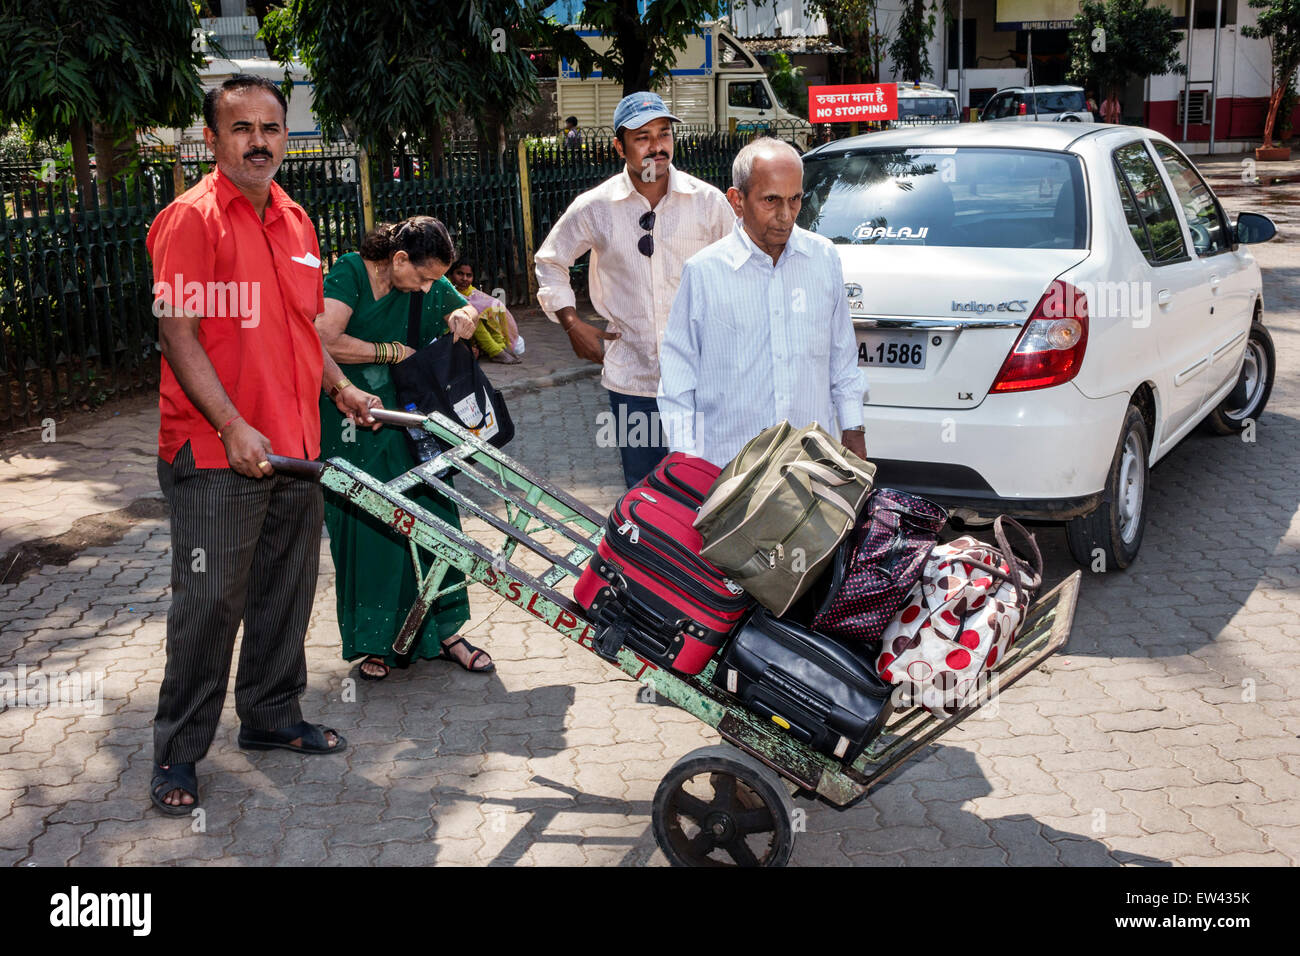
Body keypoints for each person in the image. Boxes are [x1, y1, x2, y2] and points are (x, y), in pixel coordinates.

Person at [147, 74, 383, 815]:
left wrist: (340, 388)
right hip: (217, 453)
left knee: (286, 588)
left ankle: (272, 716)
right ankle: (178, 756)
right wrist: (230, 424)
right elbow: (176, 331)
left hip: (295, 444)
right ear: (213, 140)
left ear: (287, 136)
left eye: (271, 127)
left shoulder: (297, 218)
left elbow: (302, 330)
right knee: (211, 602)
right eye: (241, 127)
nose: (258, 140)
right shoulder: (190, 221)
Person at [316, 218, 494, 682]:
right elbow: (321, 340)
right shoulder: (351, 273)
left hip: (412, 420)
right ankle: (377, 641)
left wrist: (464, 317)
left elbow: (469, 310)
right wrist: (391, 352)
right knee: (371, 523)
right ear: (398, 260)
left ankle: (447, 632)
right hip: (351, 414)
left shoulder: (427, 287)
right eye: (424, 276)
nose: (430, 286)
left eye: (436, 278)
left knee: (435, 512)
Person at [535, 91, 736, 487]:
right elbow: (550, 261)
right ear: (619, 146)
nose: (657, 146)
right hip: (632, 382)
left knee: (709, 492)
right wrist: (572, 323)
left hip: (704, 381)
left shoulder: (707, 203)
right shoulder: (597, 207)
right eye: (642, 137)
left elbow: (741, 271)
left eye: (663, 134)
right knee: (644, 495)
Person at [658, 138, 867, 468]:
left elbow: (842, 355)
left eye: (795, 199)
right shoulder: (703, 272)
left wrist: (853, 429)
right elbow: (678, 377)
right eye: (771, 200)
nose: (786, 215)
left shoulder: (823, 258)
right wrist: (686, 460)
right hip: (728, 469)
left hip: (809, 466)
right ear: (737, 201)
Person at [449, 258, 523, 364]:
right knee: (472, 316)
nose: (464, 278)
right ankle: (495, 351)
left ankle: (500, 346)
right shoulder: (448, 290)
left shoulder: (472, 291)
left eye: (468, 275)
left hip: (470, 333)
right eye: (460, 274)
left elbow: (489, 304)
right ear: (451, 275)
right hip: (452, 329)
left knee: (490, 312)